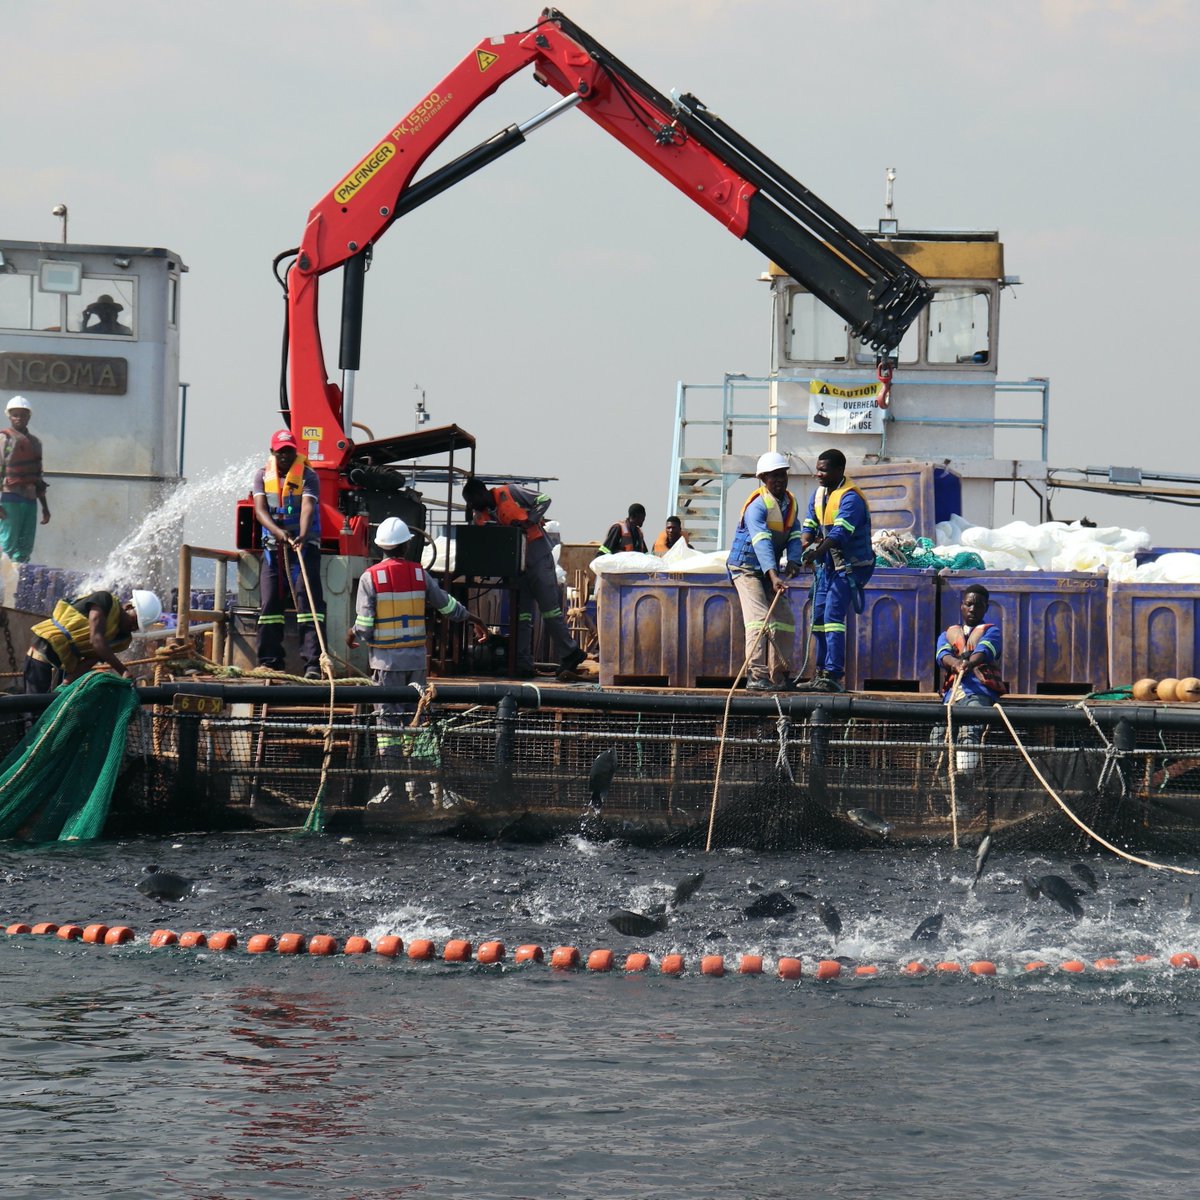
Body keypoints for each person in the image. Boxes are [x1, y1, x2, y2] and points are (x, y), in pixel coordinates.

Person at [347, 516, 487, 755]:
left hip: (386, 665)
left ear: (379, 545)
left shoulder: (371, 577)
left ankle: (393, 782)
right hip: (416, 665)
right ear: (407, 545)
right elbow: (447, 606)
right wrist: (474, 619)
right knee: (417, 719)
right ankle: (417, 783)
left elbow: (365, 625)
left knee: (387, 723)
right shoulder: (419, 575)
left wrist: (351, 633)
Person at [461, 476, 586, 681]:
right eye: (471, 504)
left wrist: (530, 519)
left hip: (537, 558)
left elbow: (544, 498)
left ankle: (571, 653)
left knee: (550, 611)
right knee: (521, 617)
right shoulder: (480, 516)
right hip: (516, 568)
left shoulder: (509, 492)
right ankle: (522, 663)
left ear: (483, 491)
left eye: (475, 501)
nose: (475, 506)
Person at [796, 448, 874, 693]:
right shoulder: (819, 495)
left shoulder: (851, 499)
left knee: (832, 617)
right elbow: (809, 523)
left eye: (824, 470)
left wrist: (816, 552)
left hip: (848, 568)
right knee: (817, 618)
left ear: (839, 471)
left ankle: (833, 673)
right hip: (826, 568)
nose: (818, 474)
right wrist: (806, 543)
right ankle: (820, 672)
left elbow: (840, 534)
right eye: (817, 469)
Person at [726, 451, 803, 692]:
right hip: (746, 568)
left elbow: (794, 534)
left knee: (785, 620)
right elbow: (761, 541)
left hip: (768, 571)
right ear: (763, 479)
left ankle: (779, 675)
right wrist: (773, 575)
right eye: (773, 477)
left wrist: (794, 559)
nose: (779, 480)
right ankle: (756, 675)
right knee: (759, 620)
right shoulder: (757, 507)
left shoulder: (790, 504)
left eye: (782, 475)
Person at [252, 429, 326, 679]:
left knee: (307, 601)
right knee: (270, 602)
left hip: (303, 549)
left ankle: (313, 664)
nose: (285, 455)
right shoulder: (262, 476)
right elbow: (261, 511)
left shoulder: (309, 476)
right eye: (281, 451)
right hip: (274, 548)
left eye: (289, 450)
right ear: (273, 452)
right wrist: (278, 532)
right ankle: (270, 662)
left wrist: (302, 535)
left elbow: (307, 507)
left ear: (296, 452)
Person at [24, 589, 162, 693]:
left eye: (136, 627)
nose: (132, 627)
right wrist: (123, 671)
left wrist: (65, 685)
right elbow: (96, 640)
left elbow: (89, 661)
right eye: (133, 621)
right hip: (44, 651)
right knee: (34, 711)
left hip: (64, 664)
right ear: (128, 607)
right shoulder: (104, 601)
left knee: (52, 710)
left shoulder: (120, 638)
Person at [936, 584, 1006, 749]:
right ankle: (939, 773)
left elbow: (984, 651)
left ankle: (966, 774)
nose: (972, 609)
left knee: (969, 731)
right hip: (952, 695)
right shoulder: (947, 634)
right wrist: (955, 664)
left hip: (978, 693)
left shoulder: (992, 632)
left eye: (978, 605)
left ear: (986, 608)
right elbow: (942, 655)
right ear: (962, 606)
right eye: (969, 604)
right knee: (938, 734)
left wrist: (969, 663)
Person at [0, 396, 51, 562]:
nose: (19, 418)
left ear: (29, 416)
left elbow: (38, 477)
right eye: (15, 415)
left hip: (29, 500)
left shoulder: (35, 443)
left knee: (25, 547)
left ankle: (18, 585)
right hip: (10, 498)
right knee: (7, 544)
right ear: (9, 416)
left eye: (23, 415)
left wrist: (45, 507)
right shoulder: (4, 439)